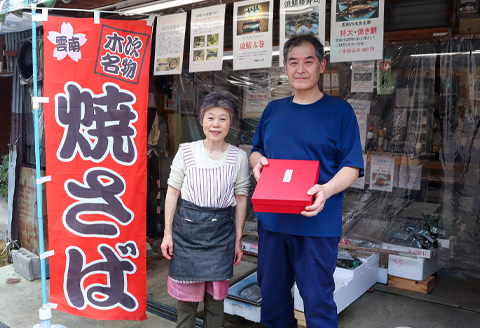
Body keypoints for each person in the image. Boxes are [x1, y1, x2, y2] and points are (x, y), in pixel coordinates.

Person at [250, 34, 364, 328]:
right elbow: (256, 150)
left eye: (308, 61)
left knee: (318, 302)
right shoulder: (273, 110)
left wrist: (326, 189)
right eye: (293, 62)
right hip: (272, 223)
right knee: (273, 300)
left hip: (317, 224)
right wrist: (257, 164)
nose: (300, 69)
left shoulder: (340, 112)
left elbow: (351, 166)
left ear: (321, 66)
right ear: (285, 68)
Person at [161, 91, 250, 328]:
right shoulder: (186, 151)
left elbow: (241, 198)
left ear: (230, 122)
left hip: (221, 234)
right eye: (211, 117)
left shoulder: (239, 156)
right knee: (186, 302)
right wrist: (167, 233)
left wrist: (238, 239)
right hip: (187, 231)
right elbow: (172, 192)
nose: (216, 124)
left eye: (223, 118)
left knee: (215, 301)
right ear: (201, 120)